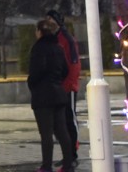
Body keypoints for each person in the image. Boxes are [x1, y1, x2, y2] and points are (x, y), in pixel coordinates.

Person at [26, 18, 75, 172]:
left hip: (43, 96)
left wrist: (31, 83)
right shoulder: (58, 47)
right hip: (58, 94)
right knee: (62, 131)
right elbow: (66, 70)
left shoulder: (38, 48)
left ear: (40, 32)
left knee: (46, 133)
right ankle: (68, 164)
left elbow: (36, 71)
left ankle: (46, 166)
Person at [45, 9, 82, 152]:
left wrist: (68, 84)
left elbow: (73, 64)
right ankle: (67, 152)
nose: (48, 23)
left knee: (68, 119)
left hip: (67, 87)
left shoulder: (66, 39)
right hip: (57, 87)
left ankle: (72, 150)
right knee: (58, 122)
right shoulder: (53, 39)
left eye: (50, 20)